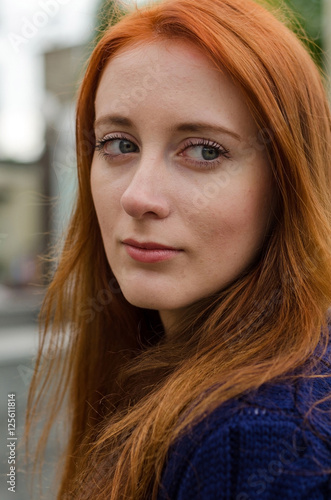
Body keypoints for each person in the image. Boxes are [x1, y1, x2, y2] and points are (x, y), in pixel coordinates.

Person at [26, 0, 331, 498]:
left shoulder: (263, 440)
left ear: (286, 183)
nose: (137, 197)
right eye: (119, 144)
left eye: (205, 151)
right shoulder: (163, 367)